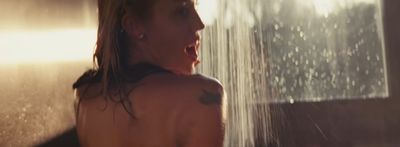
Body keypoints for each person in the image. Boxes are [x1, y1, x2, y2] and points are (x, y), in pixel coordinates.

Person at [72, 0, 225, 146]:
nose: (200, 24)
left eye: (195, 7)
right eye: (182, 11)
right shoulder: (202, 97)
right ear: (134, 26)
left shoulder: (85, 96)